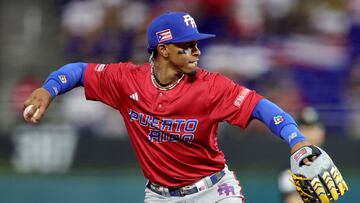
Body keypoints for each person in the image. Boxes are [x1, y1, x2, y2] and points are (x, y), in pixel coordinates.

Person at [23, 11, 339, 203]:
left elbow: (261, 107)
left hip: (214, 191)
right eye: (186, 45)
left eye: (196, 44)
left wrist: (296, 140)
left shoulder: (210, 86)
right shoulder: (126, 81)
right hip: (159, 195)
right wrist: (48, 89)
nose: (196, 51)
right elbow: (79, 70)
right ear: (163, 50)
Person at [278, 107, 326, 203]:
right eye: (306, 129)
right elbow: (293, 200)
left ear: (322, 132)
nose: (311, 135)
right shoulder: (289, 169)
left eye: (314, 129)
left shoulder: (328, 164)